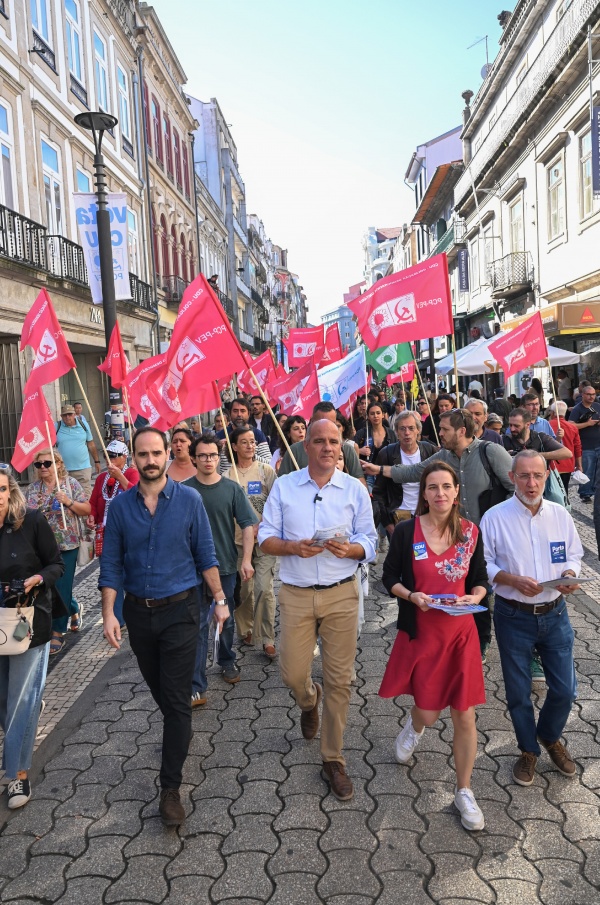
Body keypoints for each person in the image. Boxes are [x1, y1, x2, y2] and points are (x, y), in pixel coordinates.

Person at [100, 427, 226, 827]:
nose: (151, 460)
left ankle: (169, 789)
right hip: (139, 614)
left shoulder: (188, 500)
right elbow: (111, 565)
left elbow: (206, 553)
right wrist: (109, 613)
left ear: (167, 455)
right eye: (143, 454)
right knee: (162, 693)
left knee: (175, 700)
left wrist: (220, 600)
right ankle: (178, 729)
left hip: (182, 612)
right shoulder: (120, 508)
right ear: (133, 459)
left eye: (157, 453)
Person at [259, 419, 377, 800]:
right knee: (293, 674)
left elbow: (370, 540)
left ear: (342, 447)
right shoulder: (285, 486)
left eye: (334, 442)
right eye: (320, 441)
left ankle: (333, 758)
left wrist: (353, 550)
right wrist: (293, 547)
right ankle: (309, 700)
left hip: (342, 592)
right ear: (305, 446)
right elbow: (264, 539)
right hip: (295, 593)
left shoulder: (354, 490)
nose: (328, 448)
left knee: (342, 680)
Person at [380, 462, 488, 831]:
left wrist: (474, 595)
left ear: (457, 491)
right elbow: (388, 577)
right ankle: (415, 727)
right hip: (424, 632)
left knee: (464, 713)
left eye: (446, 486)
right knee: (427, 712)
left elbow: (479, 579)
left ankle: (464, 790)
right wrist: (412, 596)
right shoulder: (407, 531)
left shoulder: (471, 532)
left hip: (460, 635)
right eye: (433, 487)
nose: (440, 493)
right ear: (423, 493)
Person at [363, 408, 514, 662]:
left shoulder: (490, 452)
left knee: (480, 588)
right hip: (451, 534)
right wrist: (379, 470)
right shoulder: (442, 455)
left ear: (461, 431)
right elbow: (413, 473)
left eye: (444, 429)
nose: (439, 433)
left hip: (485, 536)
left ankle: (481, 641)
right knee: (457, 585)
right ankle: (452, 637)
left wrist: (499, 522)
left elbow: (514, 487)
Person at [480, 450, 583, 787]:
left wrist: (570, 572)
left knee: (566, 690)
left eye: (537, 475)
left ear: (545, 476)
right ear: (512, 478)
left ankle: (549, 736)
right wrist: (511, 580)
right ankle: (528, 751)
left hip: (555, 613)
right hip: (513, 616)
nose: (532, 482)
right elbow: (484, 564)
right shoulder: (495, 517)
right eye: (524, 476)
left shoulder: (559, 514)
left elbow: (575, 554)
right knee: (519, 692)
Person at [0, 465, 64, 809]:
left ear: (10, 492)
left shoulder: (32, 522)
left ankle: (18, 775)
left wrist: (36, 580)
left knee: (19, 703)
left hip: (27, 624)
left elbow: (56, 565)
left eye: (0, 490)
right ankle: (21, 726)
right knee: (6, 702)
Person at [184, 434, 257, 700]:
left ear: (219, 457)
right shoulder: (183, 490)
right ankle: (196, 683)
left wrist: (246, 560)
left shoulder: (232, 488)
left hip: (225, 567)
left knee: (223, 620)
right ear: (193, 458)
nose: (207, 460)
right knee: (198, 624)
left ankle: (227, 659)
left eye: (212, 455)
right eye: (202, 455)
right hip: (190, 571)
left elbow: (248, 523)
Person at [24, 450, 91, 655]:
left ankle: (58, 631)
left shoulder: (70, 484)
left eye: (47, 463)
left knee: (61, 586)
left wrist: (69, 502)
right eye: (38, 465)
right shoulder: (33, 489)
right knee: (49, 586)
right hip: (42, 546)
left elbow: (87, 508)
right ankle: (73, 608)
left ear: (57, 463)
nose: (43, 467)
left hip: (68, 544)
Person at [224, 426, 278, 658]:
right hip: (236, 542)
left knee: (264, 588)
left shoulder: (266, 471)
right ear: (234, 446)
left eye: (253, 442)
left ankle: (267, 637)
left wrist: (261, 525)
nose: (250, 446)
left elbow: (277, 503)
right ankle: (245, 629)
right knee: (244, 589)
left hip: (264, 540)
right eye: (244, 442)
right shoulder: (227, 477)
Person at [87, 440, 139, 628]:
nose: (111, 458)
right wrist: (92, 516)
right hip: (106, 532)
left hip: (127, 533)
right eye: (108, 454)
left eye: (115, 455)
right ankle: (117, 617)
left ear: (124, 457)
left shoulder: (132, 472)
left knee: (130, 573)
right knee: (111, 574)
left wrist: (120, 478)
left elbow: (138, 494)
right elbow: (93, 501)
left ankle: (134, 611)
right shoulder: (101, 478)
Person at [371, 411, 438, 534]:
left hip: (427, 515)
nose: (407, 433)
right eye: (402, 429)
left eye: (411, 428)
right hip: (399, 516)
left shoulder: (430, 450)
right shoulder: (387, 453)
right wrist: (388, 524)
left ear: (418, 430)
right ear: (396, 432)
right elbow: (378, 492)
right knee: (402, 553)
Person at [278, 402, 367, 486]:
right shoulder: (294, 450)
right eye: (321, 422)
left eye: (331, 423)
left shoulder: (347, 450)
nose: (326, 427)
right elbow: (283, 486)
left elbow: (360, 486)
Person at [54, 404, 100, 497]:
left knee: (85, 495)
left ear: (74, 414)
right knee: (65, 495)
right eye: (65, 415)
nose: (67, 417)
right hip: (63, 469)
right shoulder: (56, 426)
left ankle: (86, 512)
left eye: (70, 414)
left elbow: (91, 444)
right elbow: (50, 446)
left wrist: (97, 461)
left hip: (82, 468)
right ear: (61, 416)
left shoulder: (83, 424)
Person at [502, 408, 572, 466]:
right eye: (510, 425)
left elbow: (567, 453)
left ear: (528, 425)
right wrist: (505, 456)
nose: (512, 429)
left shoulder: (540, 438)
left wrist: (534, 455)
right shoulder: (504, 440)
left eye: (516, 426)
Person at [217, 398, 271, 471]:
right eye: (235, 411)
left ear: (249, 414)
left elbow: (269, 463)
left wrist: (249, 453)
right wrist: (217, 449)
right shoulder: (220, 436)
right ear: (230, 414)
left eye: (243, 411)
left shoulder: (258, 435)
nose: (239, 414)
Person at [567, 384, 600, 503]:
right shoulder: (577, 409)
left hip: (598, 443)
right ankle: (585, 493)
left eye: (593, 394)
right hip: (585, 445)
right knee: (587, 469)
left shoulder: (597, 406)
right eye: (589, 394)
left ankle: (596, 491)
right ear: (583, 395)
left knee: (597, 470)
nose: (591, 397)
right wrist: (587, 424)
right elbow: (570, 425)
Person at [353, 402, 396, 491]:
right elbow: (349, 449)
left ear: (383, 415)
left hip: (386, 474)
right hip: (367, 475)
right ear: (368, 416)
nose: (375, 416)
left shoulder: (391, 433)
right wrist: (360, 450)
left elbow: (397, 452)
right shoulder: (362, 433)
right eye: (372, 414)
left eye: (378, 413)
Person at [548, 402, 582, 496]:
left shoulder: (547, 425)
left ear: (552, 413)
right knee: (564, 491)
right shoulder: (572, 427)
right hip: (568, 464)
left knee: (550, 492)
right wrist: (579, 465)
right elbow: (577, 447)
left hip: (551, 465)